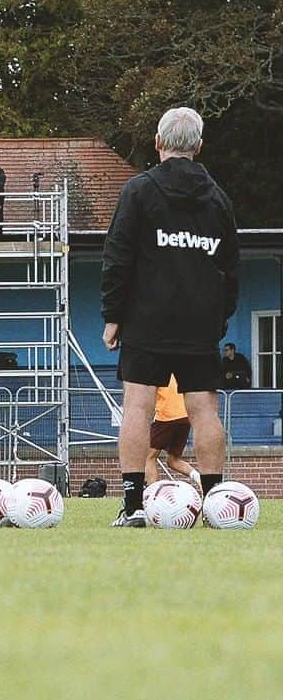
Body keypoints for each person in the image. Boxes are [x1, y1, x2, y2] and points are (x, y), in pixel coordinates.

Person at [101, 106, 238, 526]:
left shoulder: (139, 191)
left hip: (147, 319)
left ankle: (134, 506)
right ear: (198, 146)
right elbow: (230, 267)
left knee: (138, 409)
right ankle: (215, 505)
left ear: (159, 143)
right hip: (199, 321)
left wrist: (113, 315)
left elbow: (118, 257)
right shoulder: (218, 199)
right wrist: (219, 319)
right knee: (204, 410)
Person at [145, 376, 200, 488]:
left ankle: (152, 492)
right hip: (185, 417)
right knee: (173, 460)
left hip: (166, 416)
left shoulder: (156, 372)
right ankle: (198, 478)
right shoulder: (178, 372)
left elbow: (147, 399)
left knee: (149, 457)